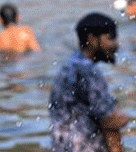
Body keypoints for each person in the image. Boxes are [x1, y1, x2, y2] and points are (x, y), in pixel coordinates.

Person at [49, 12, 129, 152]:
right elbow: (108, 124)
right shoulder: (88, 71)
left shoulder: (70, 65)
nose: (116, 45)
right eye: (110, 38)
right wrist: (121, 119)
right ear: (92, 39)